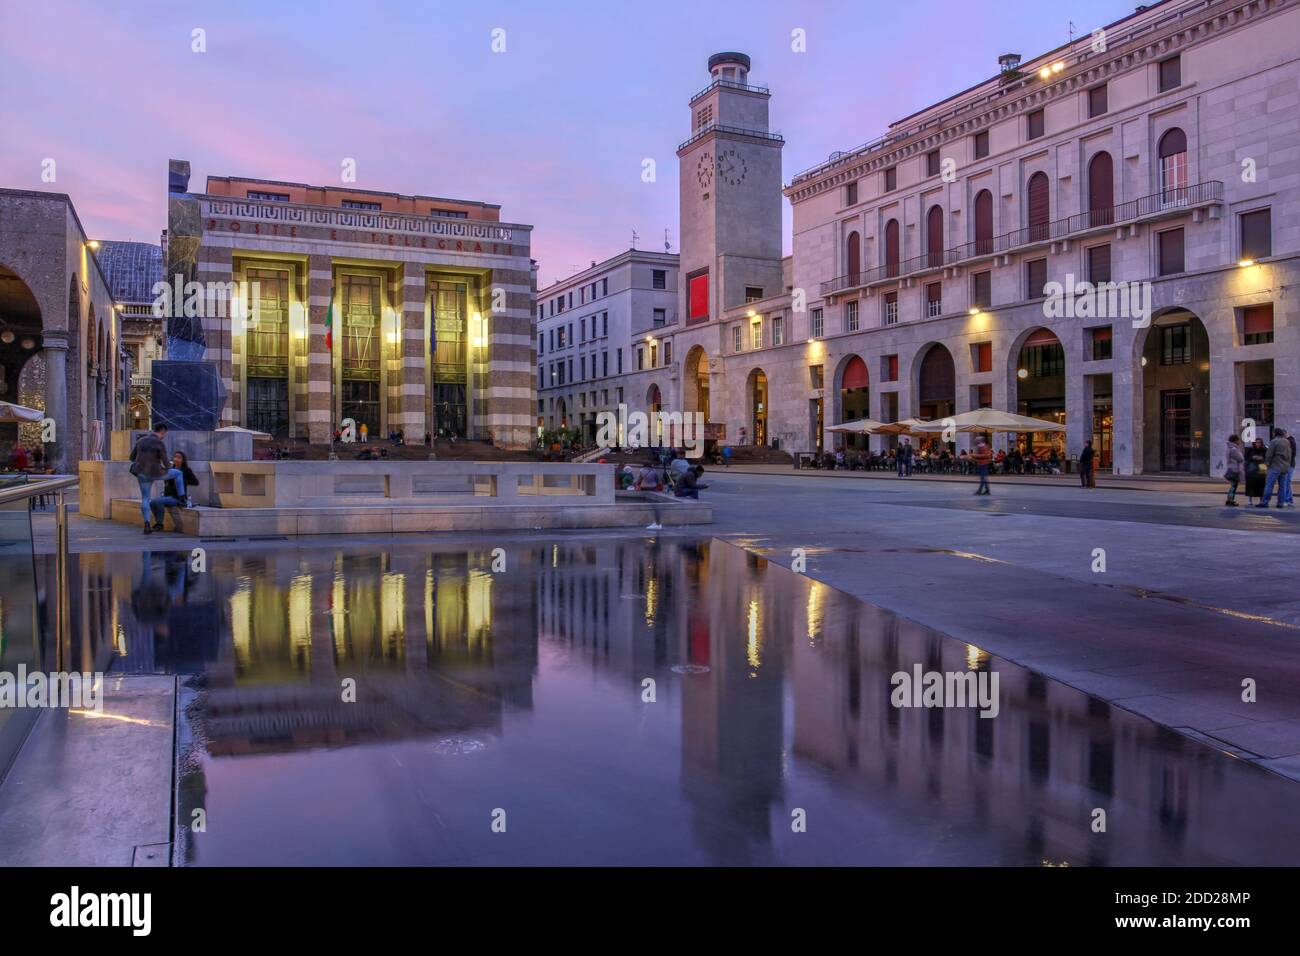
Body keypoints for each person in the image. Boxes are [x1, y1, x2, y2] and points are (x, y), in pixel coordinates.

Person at [129, 423, 169, 535]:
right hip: (154, 472)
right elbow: (166, 462)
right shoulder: (159, 443)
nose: (164, 436)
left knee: (145, 498)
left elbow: (131, 457)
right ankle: (182, 497)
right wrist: (166, 468)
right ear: (162, 431)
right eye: (165, 434)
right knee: (178, 474)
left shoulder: (140, 441)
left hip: (141, 472)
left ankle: (147, 523)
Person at [150, 451, 199, 531]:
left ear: (183, 460)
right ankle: (158, 521)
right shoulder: (171, 470)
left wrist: (181, 480)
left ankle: (159, 524)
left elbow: (195, 482)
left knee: (158, 501)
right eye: (175, 457)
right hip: (167, 495)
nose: (176, 459)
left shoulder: (186, 470)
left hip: (176, 497)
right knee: (152, 502)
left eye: (179, 457)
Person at [1258, 427, 1293, 508]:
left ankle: (1265, 502)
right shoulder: (1286, 441)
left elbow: (1269, 455)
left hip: (1275, 466)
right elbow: (1289, 454)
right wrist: (1287, 465)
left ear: (1275, 433)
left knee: (1269, 485)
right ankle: (1280, 503)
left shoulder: (1274, 441)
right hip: (1285, 467)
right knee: (1283, 486)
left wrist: (1266, 465)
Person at [1244, 437, 1268, 505]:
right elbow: (1246, 457)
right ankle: (1250, 500)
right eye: (1256, 442)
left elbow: (1267, 458)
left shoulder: (1264, 450)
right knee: (1250, 484)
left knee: (1261, 484)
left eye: (1259, 442)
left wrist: (1262, 458)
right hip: (1251, 470)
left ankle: (1261, 500)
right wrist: (1252, 457)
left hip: (1261, 469)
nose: (1258, 444)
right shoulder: (1250, 450)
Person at [1224, 434, 1245, 507]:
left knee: (1233, 486)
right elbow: (1240, 458)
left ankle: (1230, 499)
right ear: (1235, 440)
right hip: (1235, 469)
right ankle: (1230, 500)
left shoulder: (1229, 448)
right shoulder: (1234, 449)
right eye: (1238, 440)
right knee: (1233, 486)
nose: (1239, 441)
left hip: (1231, 468)